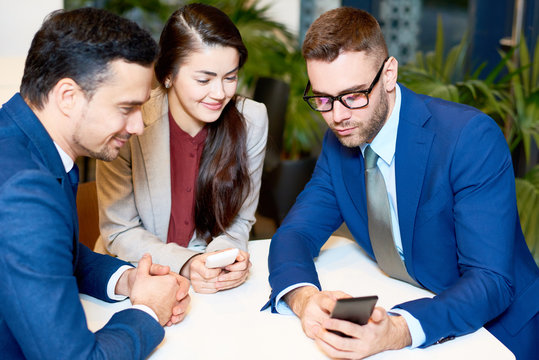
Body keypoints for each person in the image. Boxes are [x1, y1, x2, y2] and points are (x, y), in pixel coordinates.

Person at [263, 7, 538, 360]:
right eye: (323, 98)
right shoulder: (341, 140)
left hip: (499, 332)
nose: (337, 116)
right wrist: (304, 299)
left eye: (353, 95)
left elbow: (490, 281)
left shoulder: (468, 138)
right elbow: (295, 233)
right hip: (412, 299)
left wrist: (398, 330)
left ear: (389, 74)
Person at [0, 8, 191, 359]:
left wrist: (128, 280)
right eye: (126, 108)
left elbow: (56, 254)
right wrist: (148, 311)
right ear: (68, 97)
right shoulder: (23, 191)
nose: (137, 126)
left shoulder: (26, 144)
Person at [94, 3, 268, 294]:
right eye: (204, 79)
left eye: (230, 77)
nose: (220, 93)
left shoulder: (252, 120)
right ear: (168, 75)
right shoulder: (130, 123)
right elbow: (120, 231)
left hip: (213, 285)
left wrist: (222, 258)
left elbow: (241, 219)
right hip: (136, 275)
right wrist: (187, 263)